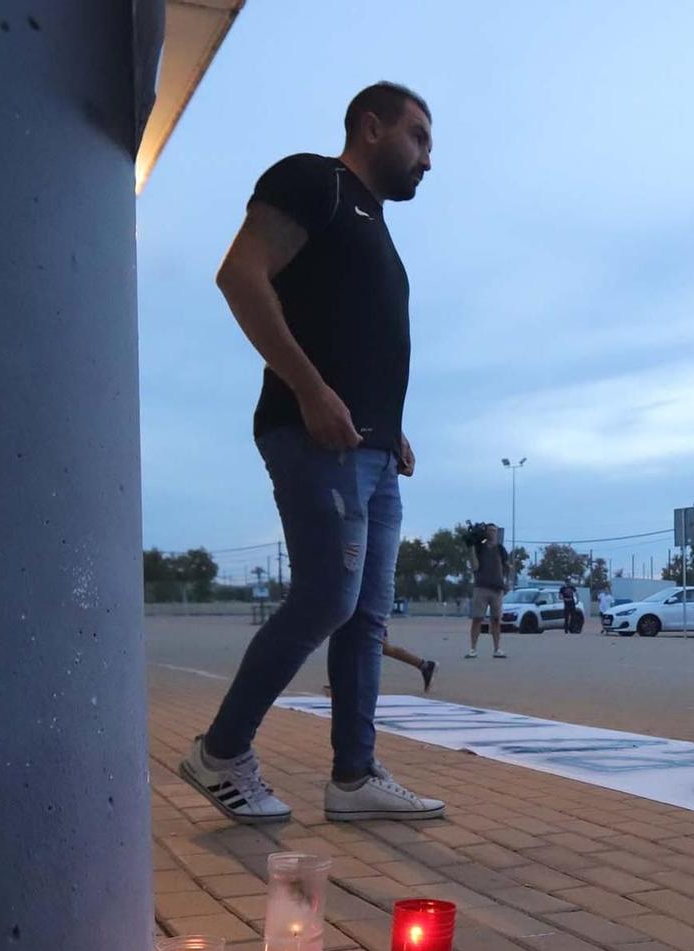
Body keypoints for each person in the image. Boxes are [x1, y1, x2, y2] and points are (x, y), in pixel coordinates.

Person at [178, 82, 444, 824]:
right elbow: (240, 275)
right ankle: (220, 752)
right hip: (314, 436)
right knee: (327, 596)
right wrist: (311, 391)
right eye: (418, 138)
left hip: (372, 448)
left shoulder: (376, 226)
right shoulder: (314, 181)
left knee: (365, 618)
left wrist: (391, 429)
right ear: (371, 126)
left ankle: (354, 779)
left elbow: (357, 333)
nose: (428, 159)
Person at [465, 524, 510, 659]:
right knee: (477, 618)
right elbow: (475, 566)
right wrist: (471, 547)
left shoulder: (501, 549)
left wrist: (507, 582)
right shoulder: (479, 547)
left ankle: (497, 649)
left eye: (494, 531)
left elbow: (506, 566)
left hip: (497, 589)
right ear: (486, 532)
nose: (493, 533)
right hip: (481, 588)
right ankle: (473, 649)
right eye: (490, 530)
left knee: (496, 619)